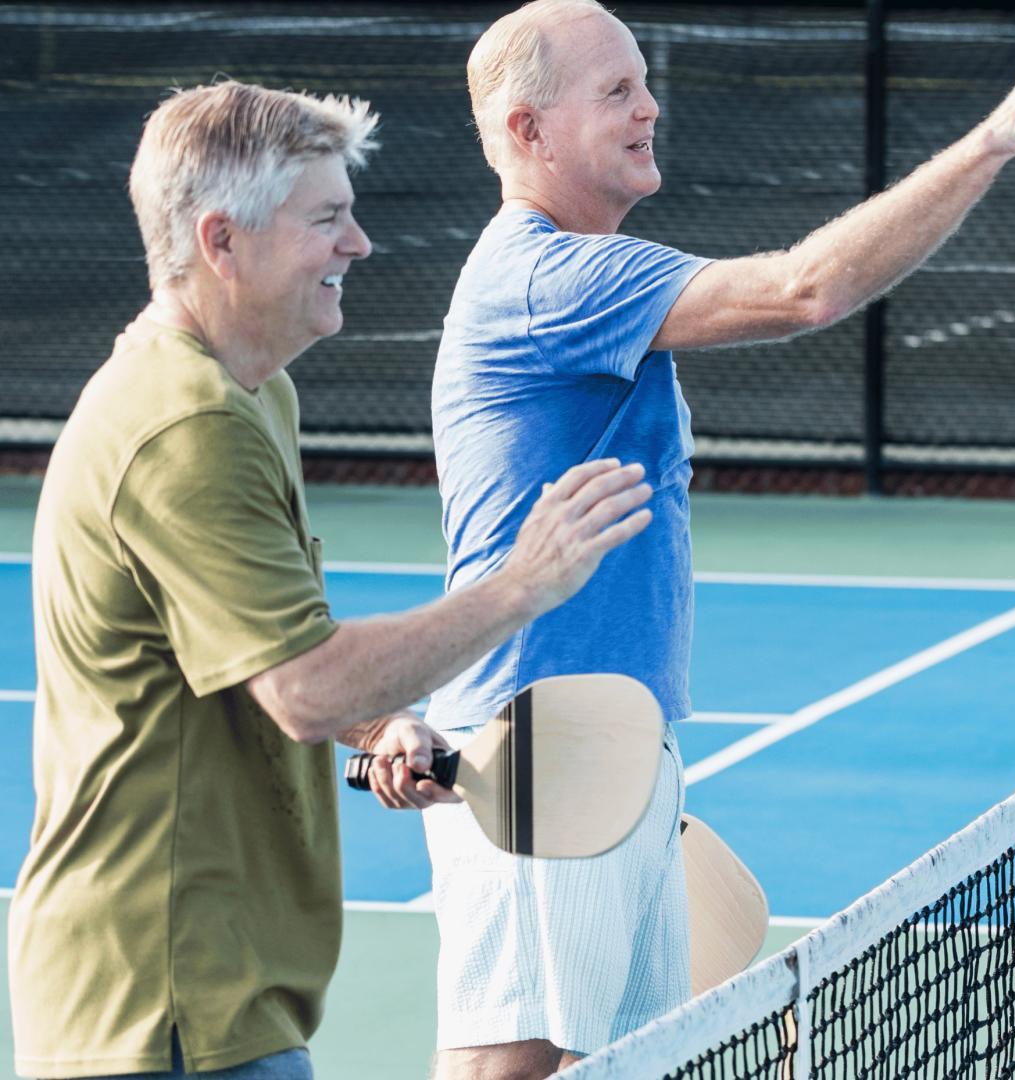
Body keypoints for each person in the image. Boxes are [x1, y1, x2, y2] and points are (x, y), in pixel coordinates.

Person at [421, 0, 1015, 1074]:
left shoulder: (592, 279)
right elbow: (804, 288)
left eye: (643, 81)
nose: (650, 106)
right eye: (615, 91)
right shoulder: (545, 279)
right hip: (540, 746)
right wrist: (991, 143)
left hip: (608, 741)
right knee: (513, 1069)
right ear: (527, 131)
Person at [9, 81, 654, 1080]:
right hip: (165, 1006)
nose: (358, 244)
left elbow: (259, 653)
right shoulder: (188, 425)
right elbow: (306, 688)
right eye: (327, 219)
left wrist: (379, 727)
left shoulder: (253, 394)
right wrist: (523, 582)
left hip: (220, 996)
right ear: (222, 241)